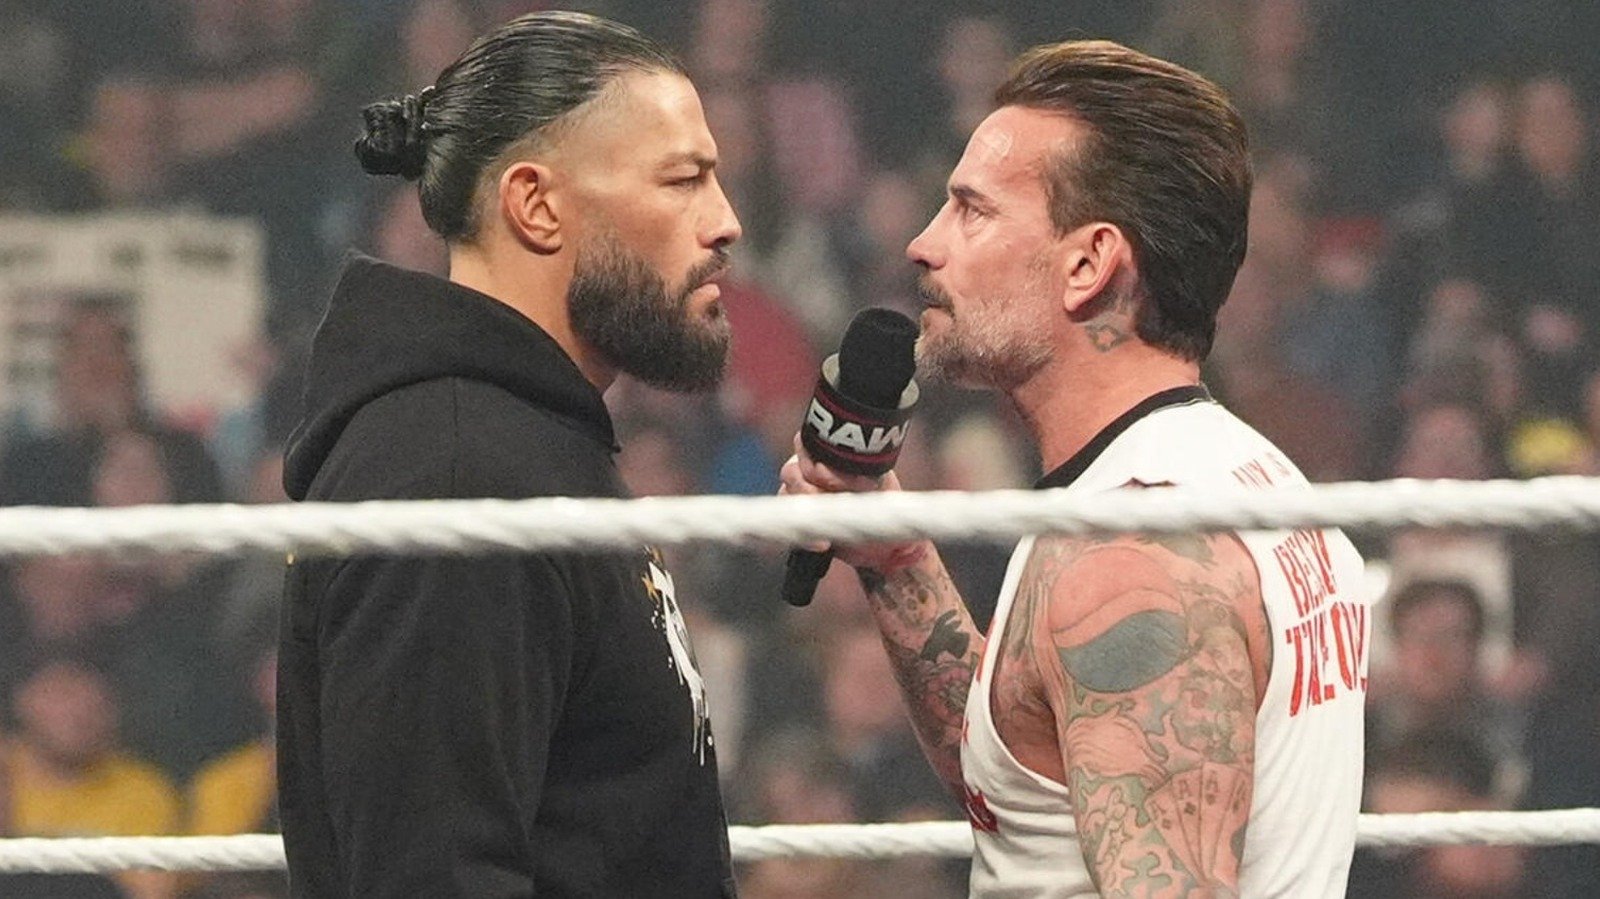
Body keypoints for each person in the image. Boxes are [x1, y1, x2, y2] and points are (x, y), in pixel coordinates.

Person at [780, 41, 1373, 897]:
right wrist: (895, 560)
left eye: (971, 210)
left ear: (1088, 264)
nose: (923, 243)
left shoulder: (1129, 561)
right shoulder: (1244, 475)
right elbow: (1037, 781)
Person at [278, 11, 741, 898]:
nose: (725, 222)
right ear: (536, 204)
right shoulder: (457, 475)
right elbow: (431, 875)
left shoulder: (527, 444)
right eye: (684, 180)